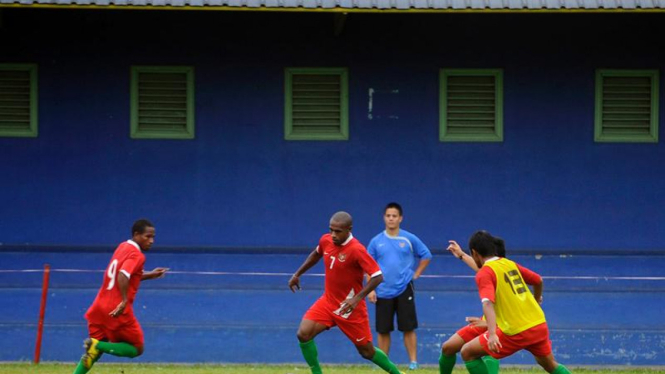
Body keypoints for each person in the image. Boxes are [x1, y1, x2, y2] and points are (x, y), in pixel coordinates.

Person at [288, 211, 405, 374]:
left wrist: (356, 300)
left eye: (338, 231)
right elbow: (316, 254)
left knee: (367, 352)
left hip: (350, 308)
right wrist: (297, 274)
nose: (333, 235)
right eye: (331, 230)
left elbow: (378, 276)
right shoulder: (326, 240)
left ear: (349, 229)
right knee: (303, 334)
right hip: (328, 302)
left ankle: (397, 373)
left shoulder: (357, 249)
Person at [460, 230, 572, 374]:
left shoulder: (485, 273)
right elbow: (538, 280)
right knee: (549, 364)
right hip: (538, 323)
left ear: (474, 253)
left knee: (467, 352)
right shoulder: (509, 263)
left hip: (516, 330)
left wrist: (492, 333)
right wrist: (536, 301)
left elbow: (487, 303)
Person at [72, 219, 169, 374]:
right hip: (116, 310)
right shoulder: (137, 255)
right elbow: (123, 275)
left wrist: (150, 275)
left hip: (99, 307)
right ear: (136, 234)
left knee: (93, 354)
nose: (151, 241)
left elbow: (126, 274)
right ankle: (96, 344)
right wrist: (124, 300)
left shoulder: (122, 247)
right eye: (147, 236)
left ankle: (94, 348)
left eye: (153, 237)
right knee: (136, 348)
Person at [366, 202, 432, 370]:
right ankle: (383, 362)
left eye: (394, 216)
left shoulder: (408, 238)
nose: (391, 219)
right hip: (382, 290)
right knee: (383, 330)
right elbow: (368, 265)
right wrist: (371, 289)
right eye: (388, 216)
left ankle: (413, 362)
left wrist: (416, 273)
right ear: (384, 218)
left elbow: (426, 255)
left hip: (404, 288)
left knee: (408, 328)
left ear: (400, 218)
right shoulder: (376, 241)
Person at [438, 237, 506, 374]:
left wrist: (489, 327)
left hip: (500, 326)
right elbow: (479, 268)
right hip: (485, 322)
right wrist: (461, 254)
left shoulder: (506, 274)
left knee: (488, 351)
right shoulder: (489, 271)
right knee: (448, 348)